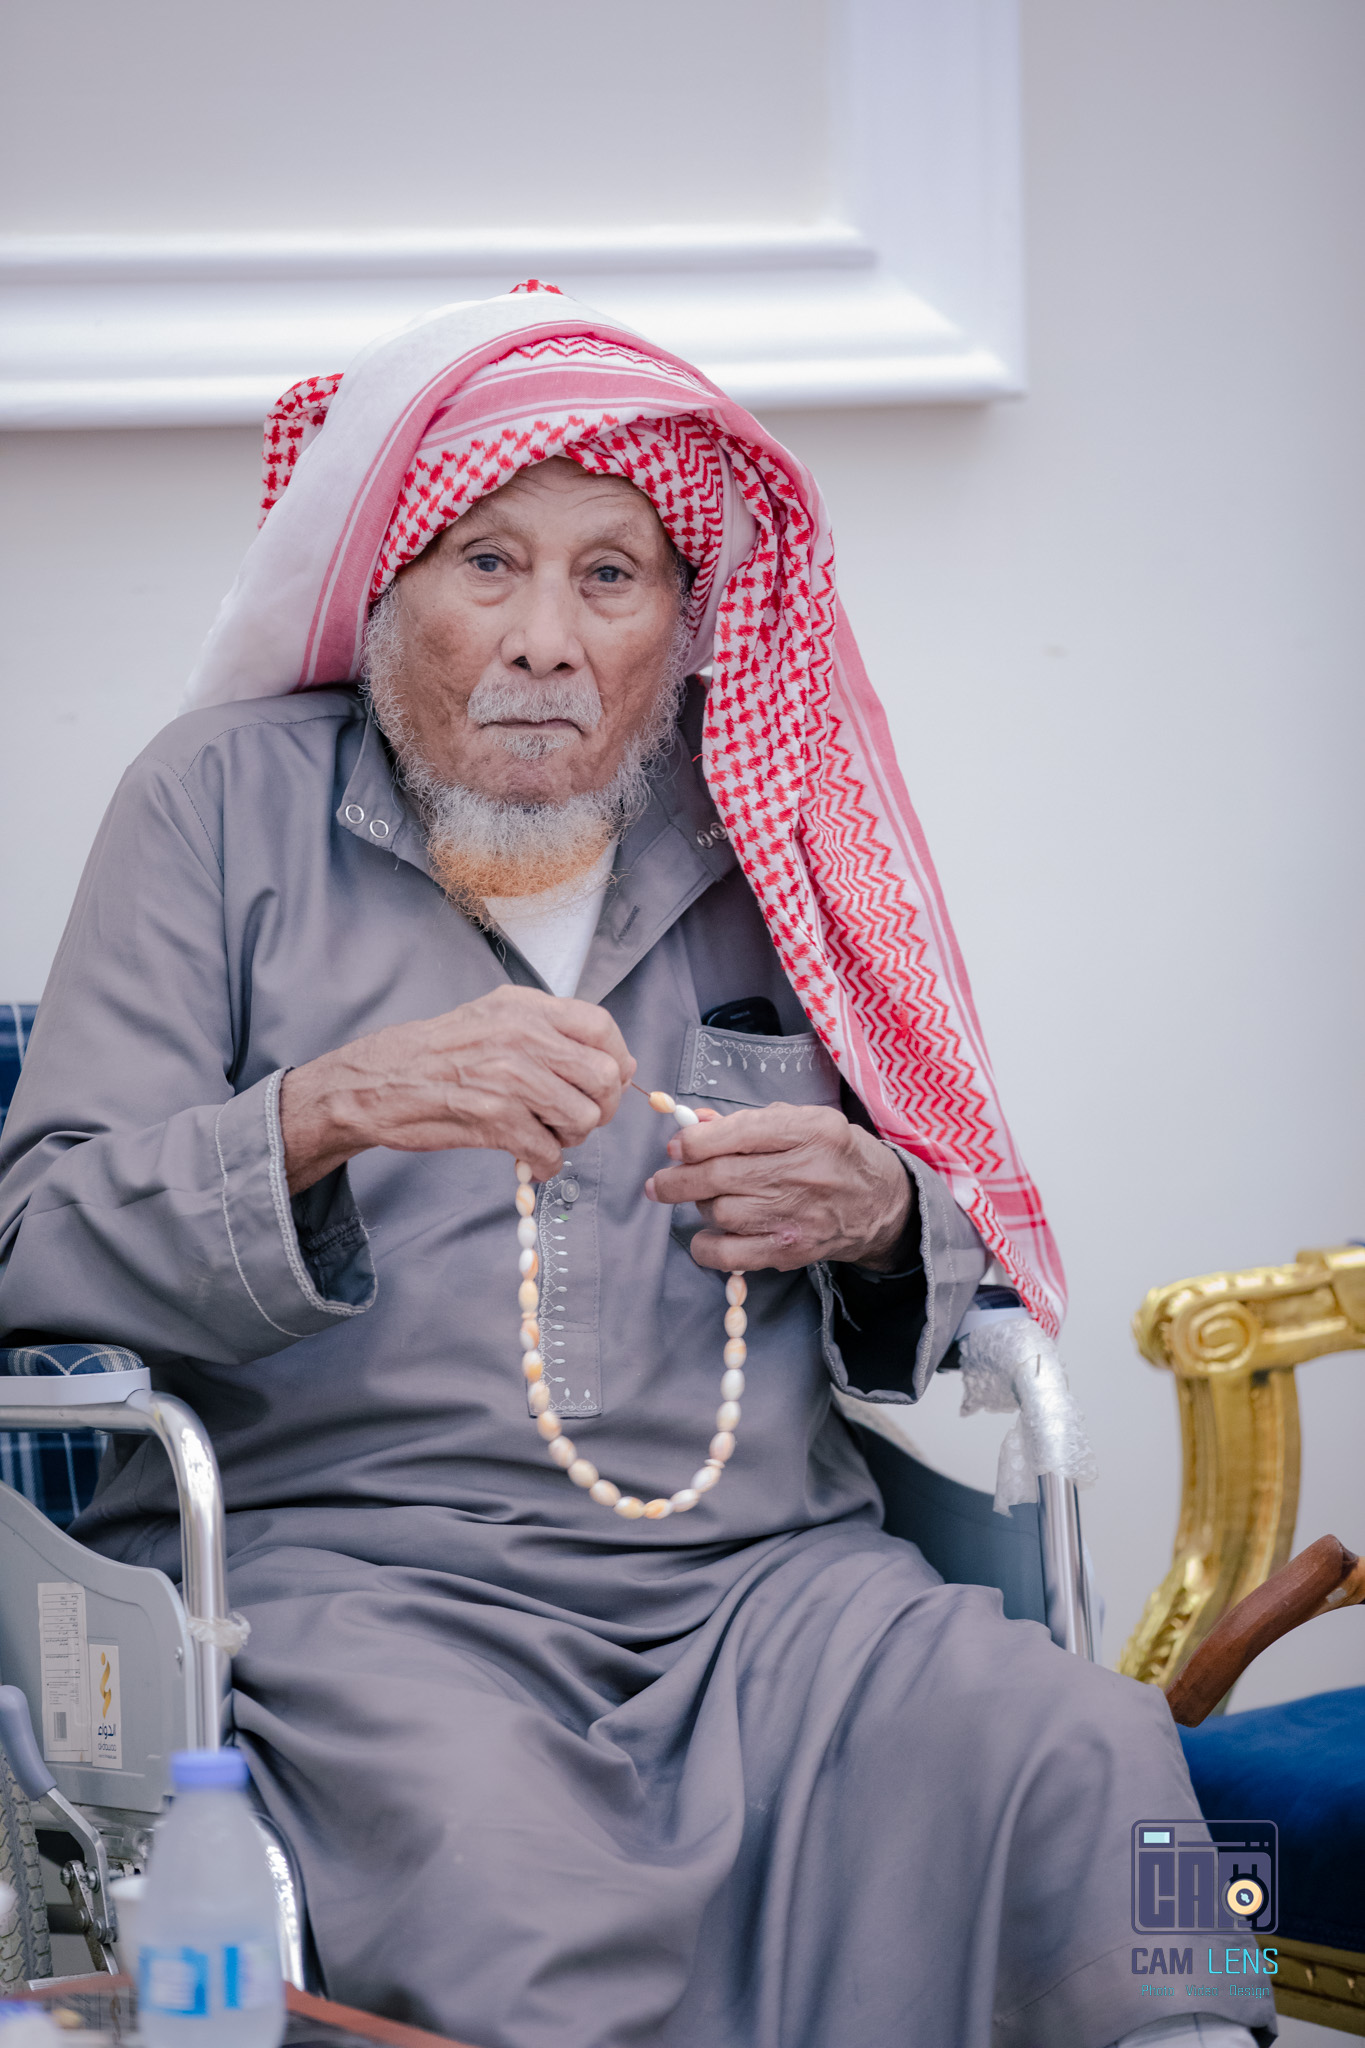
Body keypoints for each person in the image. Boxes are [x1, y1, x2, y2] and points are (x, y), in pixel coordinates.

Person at [0, 288, 1269, 2048]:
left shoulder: (767, 815)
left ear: (683, 620)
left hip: (771, 1584)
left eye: (610, 575)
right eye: (487, 563)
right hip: (360, 1590)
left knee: (1101, 1757)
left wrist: (877, 1211)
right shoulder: (215, 803)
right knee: (502, 1876)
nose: (544, 639)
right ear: (383, 590)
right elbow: (35, 1242)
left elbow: (945, 1246)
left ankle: (1220, 2030)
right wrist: (325, 1109)